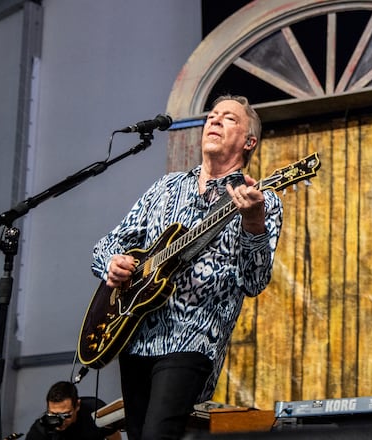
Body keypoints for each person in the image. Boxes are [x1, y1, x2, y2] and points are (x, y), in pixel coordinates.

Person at [91, 94, 283, 440]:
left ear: (249, 142)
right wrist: (113, 263)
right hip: (135, 334)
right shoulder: (165, 188)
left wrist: (254, 224)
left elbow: (254, 281)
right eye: (212, 115)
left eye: (229, 118)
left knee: (158, 435)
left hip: (193, 338)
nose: (215, 120)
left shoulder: (262, 200)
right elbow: (106, 244)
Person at [25, 381, 121, 440]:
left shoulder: (96, 410)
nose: (59, 422)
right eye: (53, 414)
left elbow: (113, 435)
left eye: (65, 415)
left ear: (77, 405)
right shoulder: (40, 430)